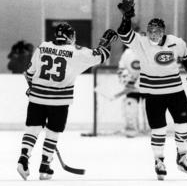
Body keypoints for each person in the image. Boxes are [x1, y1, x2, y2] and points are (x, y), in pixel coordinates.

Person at [17, 22, 118, 181]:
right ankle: (45, 164)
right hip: (59, 101)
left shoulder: (42, 47)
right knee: (53, 132)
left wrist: (32, 88)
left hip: (37, 98)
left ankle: (23, 158)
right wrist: (106, 43)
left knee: (32, 129)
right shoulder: (76, 52)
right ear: (70, 37)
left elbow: (29, 74)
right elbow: (102, 55)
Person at [117, 0, 187, 180]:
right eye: (150, 31)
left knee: (184, 123)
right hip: (153, 93)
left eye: (157, 31)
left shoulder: (177, 43)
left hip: (175, 91)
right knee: (158, 129)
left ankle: (182, 156)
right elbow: (123, 32)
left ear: (164, 32)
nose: (153, 34)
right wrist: (127, 17)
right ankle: (159, 161)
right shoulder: (140, 42)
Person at [118, 45, 142, 137]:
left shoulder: (150, 50)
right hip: (132, 86)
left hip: (149, 85)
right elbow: (121, 69)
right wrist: (127, 79)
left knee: (154, 105)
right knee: (130, 103)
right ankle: (130, 127)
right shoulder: (127, 53)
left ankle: (156, 128)